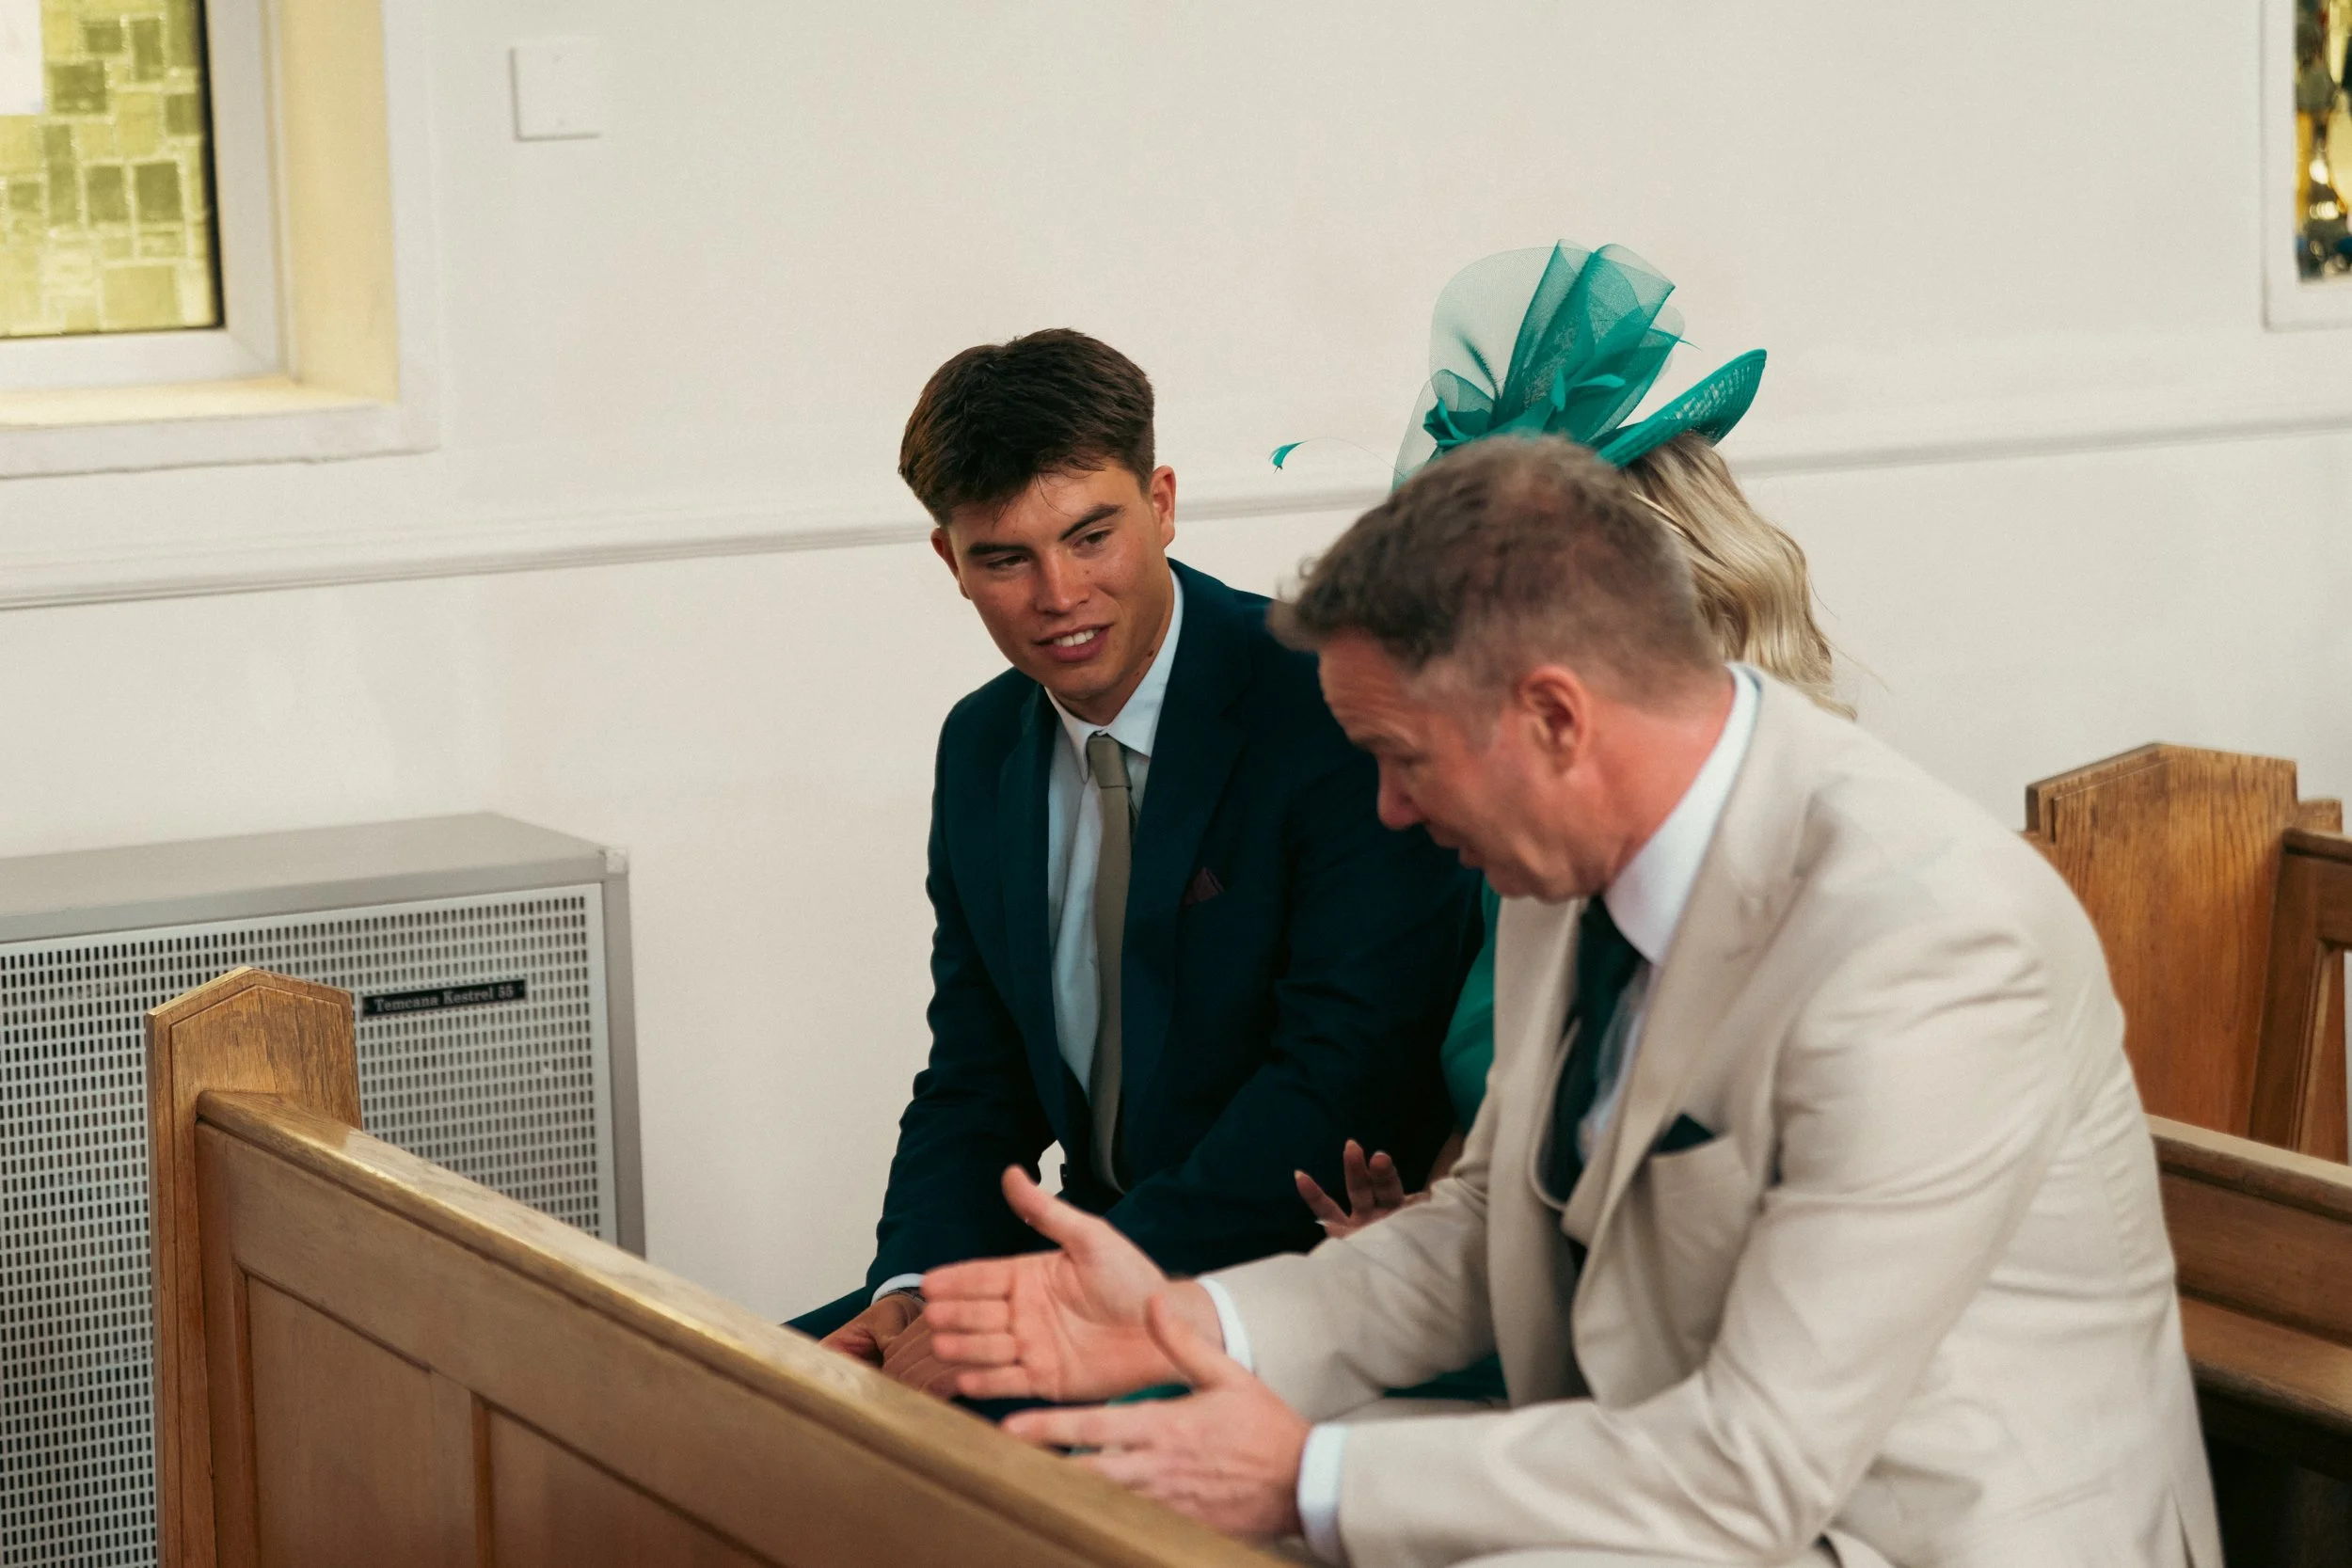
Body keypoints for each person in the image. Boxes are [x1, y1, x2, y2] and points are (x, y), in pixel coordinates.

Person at [924, 434, 2220, 1567]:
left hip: (1912, 1527)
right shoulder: (1565, 862)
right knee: (1109, 1514)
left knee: (1302, 1500)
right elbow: (1501, 1218)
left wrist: (1309, 1474)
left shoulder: (1926, 942)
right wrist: (1182, 1314)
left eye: (1402, 759)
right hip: (1676, 1472)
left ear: (1553, 717)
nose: (1389, 811)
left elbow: (1757, 1462)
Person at [787, 328, 1482, 1398]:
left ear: (1161, 501)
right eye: (1005, 557)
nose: (1058, 593)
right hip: (1076, 1252)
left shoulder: (1327, 704)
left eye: (1091, 534)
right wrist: (917, 1286)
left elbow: (1342, 1073)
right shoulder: (981, 747)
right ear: (949, 561)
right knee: (735, 1383)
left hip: (1285, 1271)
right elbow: (977, 1076)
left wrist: (1050, 1298)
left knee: (913, 1451)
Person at [1295, 244, 1847, 1243]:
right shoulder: (1532, 860)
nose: (1395, 802)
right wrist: (1410, 1240)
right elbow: (1501, 1164)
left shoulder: (1835, 905)